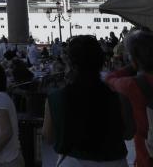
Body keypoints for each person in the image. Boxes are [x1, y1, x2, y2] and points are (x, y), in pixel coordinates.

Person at [44, 36, 133, 167]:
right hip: (114, 162)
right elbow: (129, 133)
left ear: (70, 65)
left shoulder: (55, 99)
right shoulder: (120, 98)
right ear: (101, 62)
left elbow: (49, 137)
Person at [106, 30, 153, 167]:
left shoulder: (132, 85)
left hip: (147, 158)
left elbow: (110, 79)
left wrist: (133, 66)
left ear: (134, 58)